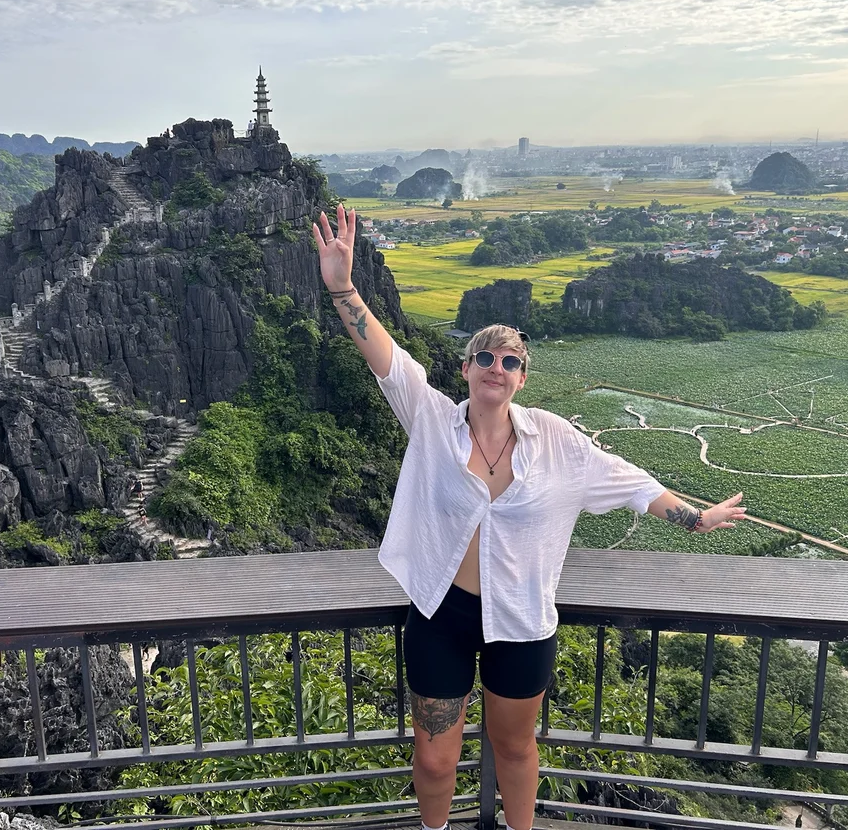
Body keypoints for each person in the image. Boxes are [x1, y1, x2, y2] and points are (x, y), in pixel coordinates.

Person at [312, 204, 748, 830]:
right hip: (442, 612)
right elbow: (386, 359)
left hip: (520, 617)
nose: (497, 367)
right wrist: (342, 286)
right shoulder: (433, 420)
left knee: (515, 748)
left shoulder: (558, 441)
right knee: (436, 759)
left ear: (522, 378)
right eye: (484, 357)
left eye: (510, 361)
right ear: (465, 369)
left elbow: (628, 481)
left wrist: (693, 518)